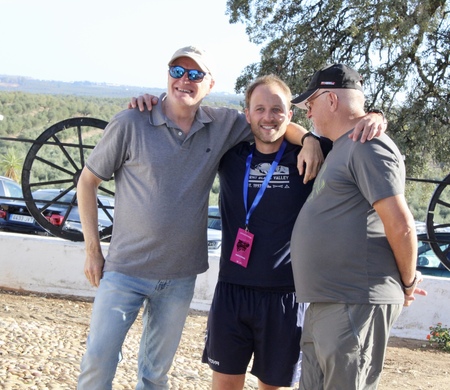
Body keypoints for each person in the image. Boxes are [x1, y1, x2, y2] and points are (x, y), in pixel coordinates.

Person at [76, 45, 326, 390]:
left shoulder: (222, 125)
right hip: (125, 270)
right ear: (167, 75)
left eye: (195, 74)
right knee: (98, 363)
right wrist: (92, 249)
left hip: (179, 278)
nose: (185, 80)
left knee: (155, 374)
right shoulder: (131, 121)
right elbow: (87, 182)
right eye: (177, 71)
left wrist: (311, 139)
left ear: (209, 84)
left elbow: (273, 122)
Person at [289, 64, 427, 390]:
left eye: (311, 103)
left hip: (354, 301)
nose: (308, 112)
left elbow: (401, 224)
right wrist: (310, 138)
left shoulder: (368, 144)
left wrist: (407, 283)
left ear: (332, 101)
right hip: (329, 302)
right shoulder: (342, 146)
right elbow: (277, 124)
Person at [201, 74, 332, 390]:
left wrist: (312, 140)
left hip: (285, 296)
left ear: (290, 115)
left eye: (277, 109)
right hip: (232, 290)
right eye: (259, 109)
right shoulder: (231, 156)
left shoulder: (308, 156)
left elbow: (352, 135)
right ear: (247, 115)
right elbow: (184, 116)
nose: (268, 117)